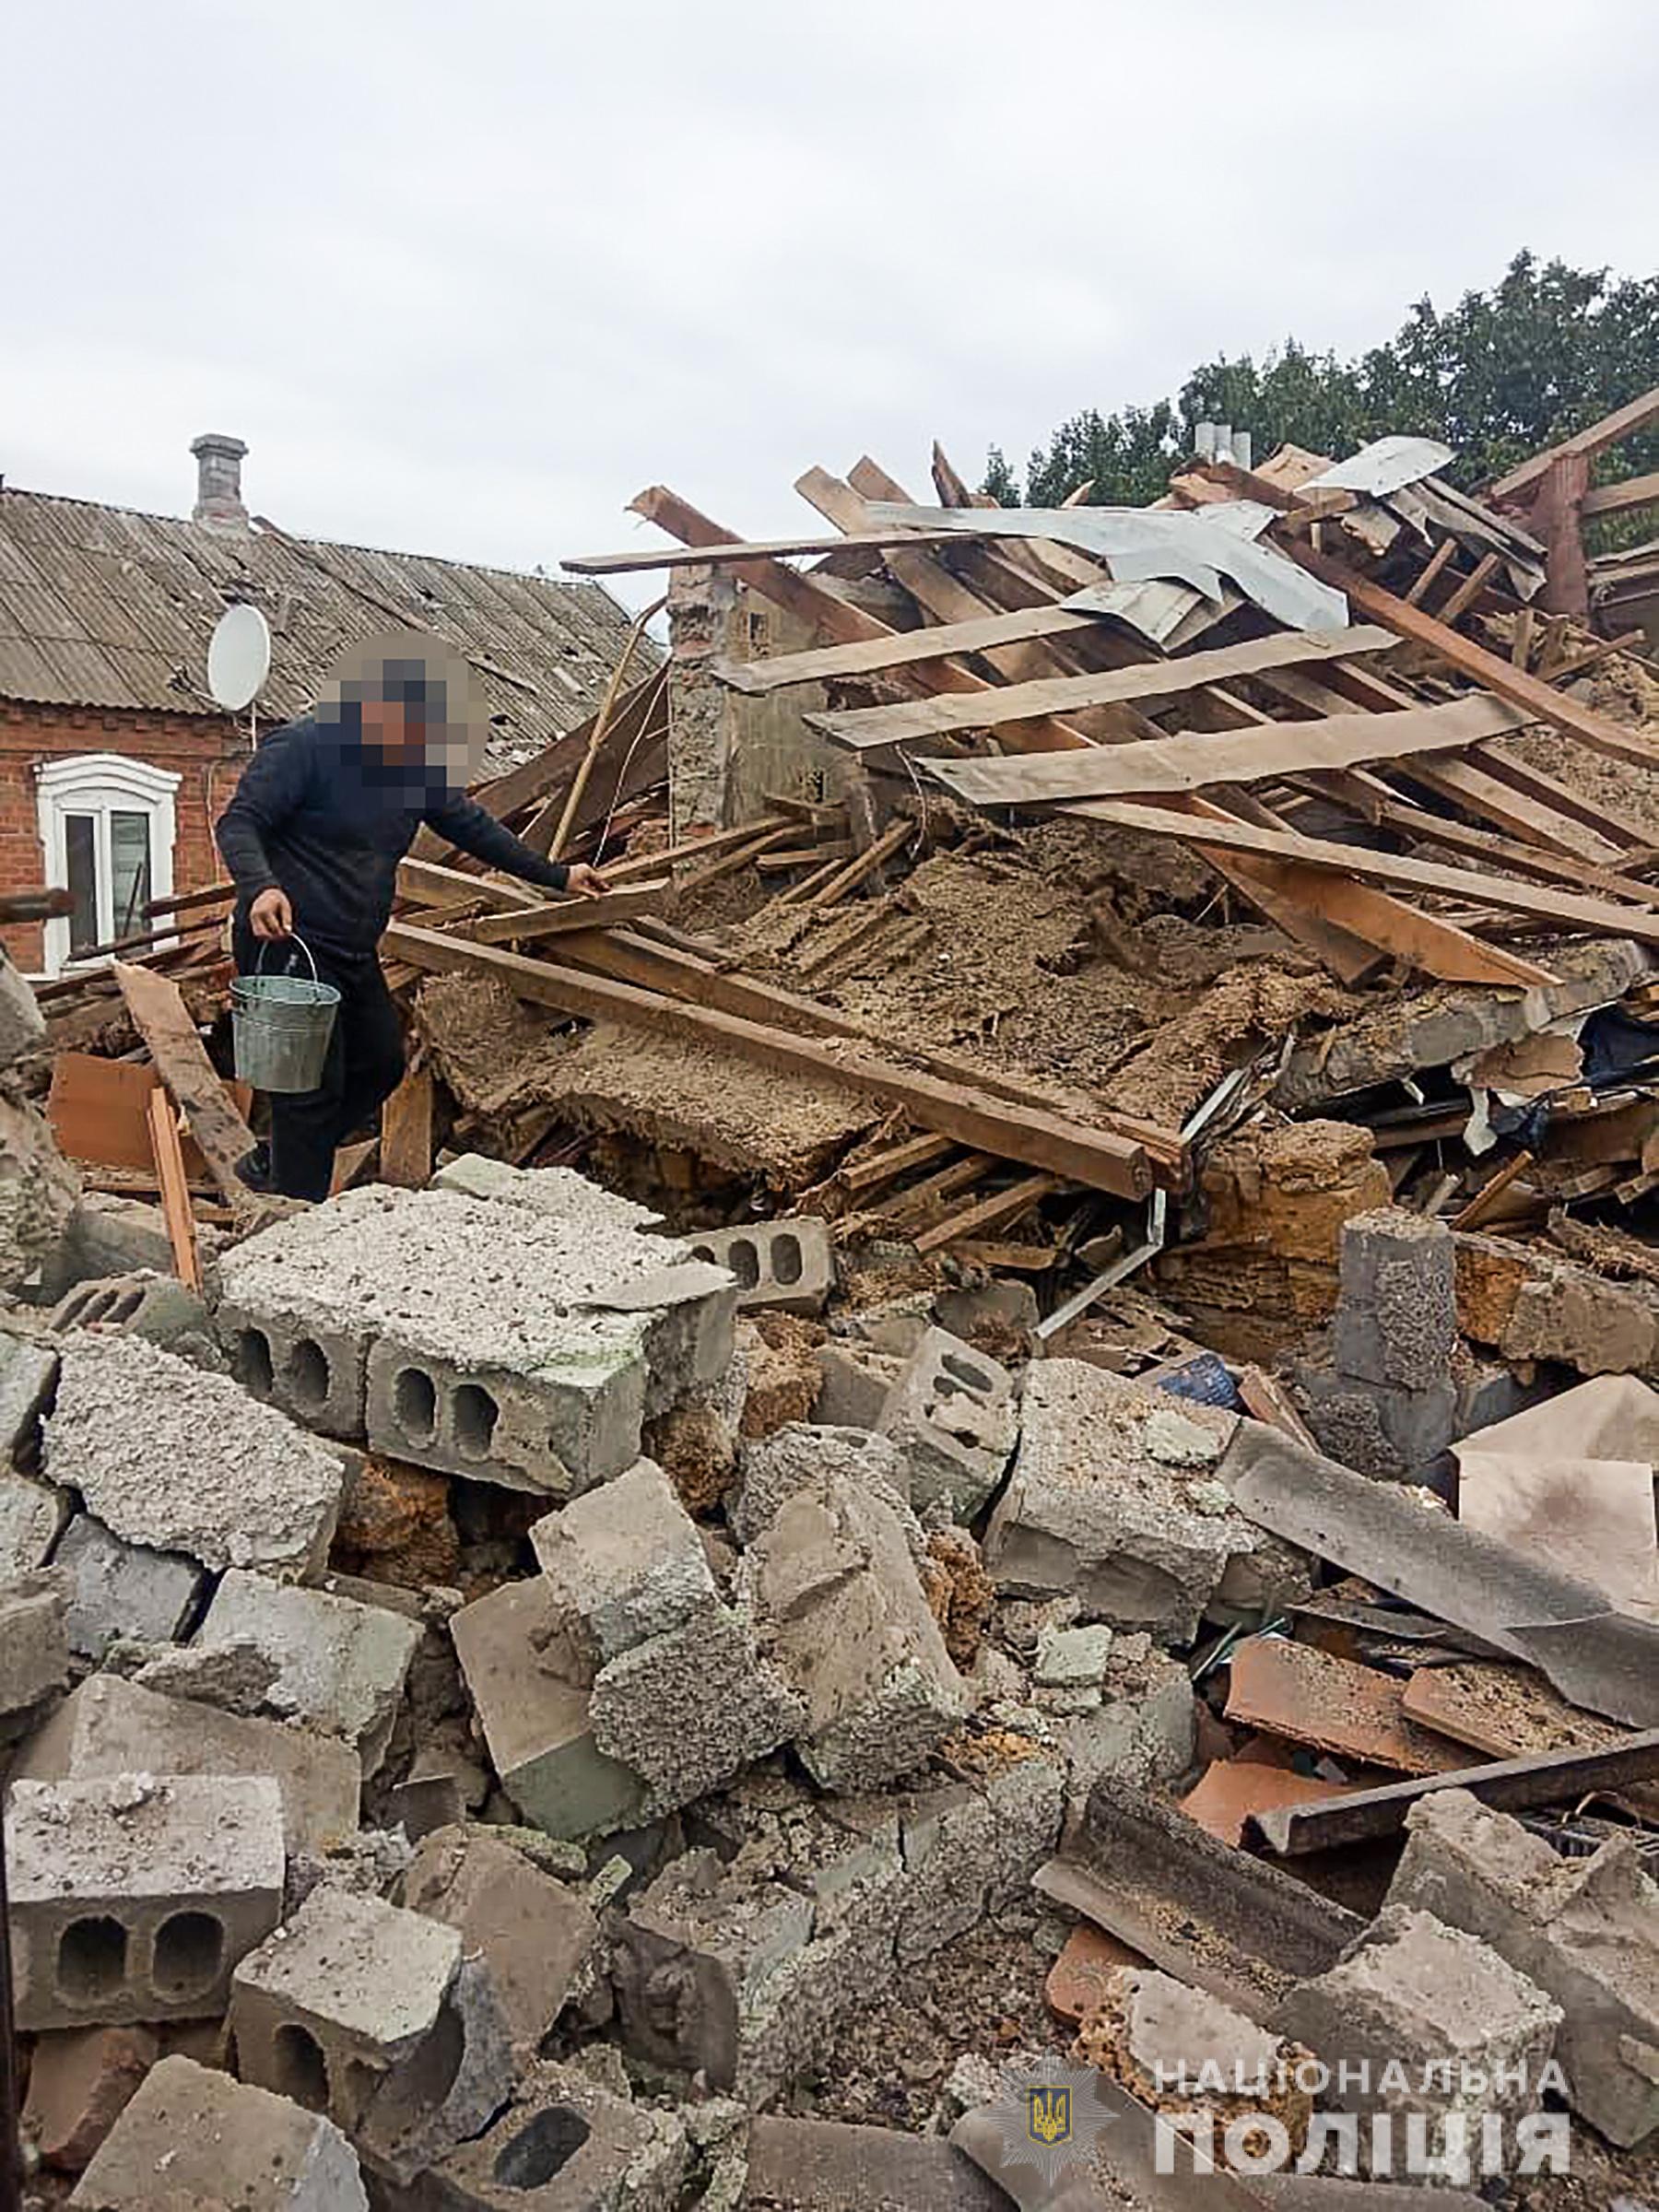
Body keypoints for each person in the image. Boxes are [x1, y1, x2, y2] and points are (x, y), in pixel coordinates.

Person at [216, 646, 603, 1201]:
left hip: (351, 946)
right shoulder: (305, 746)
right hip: (287, 943)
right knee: (309, 1092)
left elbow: (472, 827)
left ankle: (279, 1157)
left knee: (380, 1064)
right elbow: (240, 823)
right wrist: (261, 886)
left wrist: (558, 876)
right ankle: (293, 1227)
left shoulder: (411, 766)